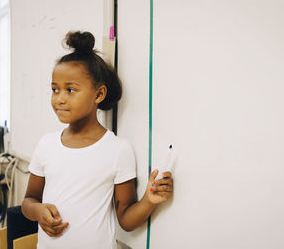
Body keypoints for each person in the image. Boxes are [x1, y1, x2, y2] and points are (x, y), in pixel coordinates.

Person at [21, 31, 173, 249]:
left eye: (70, 90)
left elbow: (126, 220)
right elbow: (28, 201)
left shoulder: (118, 150)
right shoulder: (46, 144)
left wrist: (149, 200)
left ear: (99, 94)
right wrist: (37, 211)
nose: (59, 98)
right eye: (55, 89)